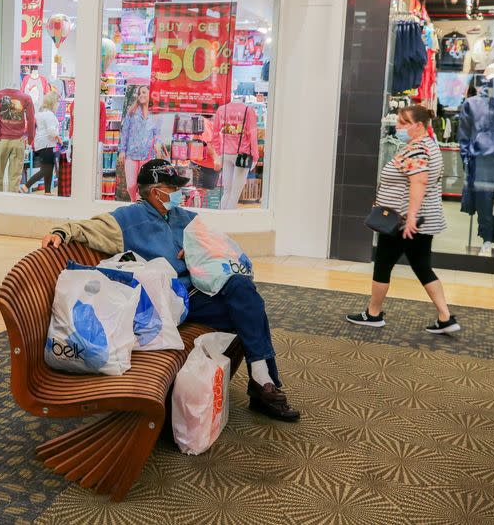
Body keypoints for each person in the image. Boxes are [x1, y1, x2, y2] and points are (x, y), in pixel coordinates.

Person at [42, 159, 300, 421]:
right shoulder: (127, 220)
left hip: (200, 295)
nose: (179, 194)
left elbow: (218, 250)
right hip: (169, 306)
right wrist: (61, 232)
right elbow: (87, 227)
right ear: (156, 191)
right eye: (173, 187)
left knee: (246, 295)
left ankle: (261, 376)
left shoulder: (185, 218)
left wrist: (200, 252)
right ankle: (263, 383)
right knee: (250, 312)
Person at [347, 105, 460, 334]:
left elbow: (419, 182)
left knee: (383, 264)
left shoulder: (417, 149)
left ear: (418, 126)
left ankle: (373, 314)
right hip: (419, 221)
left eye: (403, 123)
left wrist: (410, 218)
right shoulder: (430, 144)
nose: (398, 126)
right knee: (421, 265)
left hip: (402, 223)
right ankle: (445, 317)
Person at [118, 85, 160, 202]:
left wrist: (157, 144)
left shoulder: (155, 115)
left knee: (143, 186)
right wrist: (122, 150)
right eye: (139, 93)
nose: (141, 95)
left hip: (147, 156)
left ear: (150, 95)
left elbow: (157, 133)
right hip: (131, 155)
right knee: (131, 186)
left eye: (144, 92)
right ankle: (133, 202)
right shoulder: (132, 112)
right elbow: (125, 131)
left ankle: (140, 206)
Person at [21, 91, 60, 195]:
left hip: (41, 144)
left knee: (48, 167)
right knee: (46, 169)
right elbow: (51, 131)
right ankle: (26, 185)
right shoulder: (50, 115)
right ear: (53, 102)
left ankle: (47, 191)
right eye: (57, 102)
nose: (58, 104)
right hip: (47, 144)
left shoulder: (40, 113)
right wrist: (58, 138)